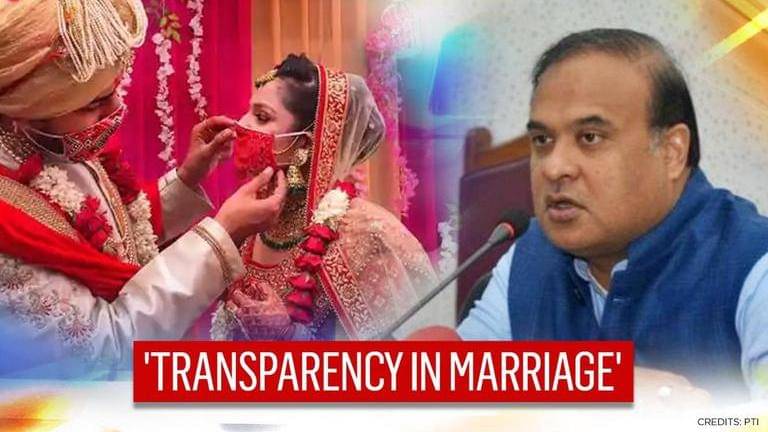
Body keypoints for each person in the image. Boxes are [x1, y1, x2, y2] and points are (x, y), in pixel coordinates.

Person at [458, 28, 768, 402]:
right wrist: (598, 382)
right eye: (542, 140)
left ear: (672, 152)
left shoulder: (753, 264)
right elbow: (451, 391)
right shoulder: (528, 257)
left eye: (590, 137)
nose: (554, 167)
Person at [0, 0, 286, 375]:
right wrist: (223, 232)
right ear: (25, 112)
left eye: (115, 89)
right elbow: (108, 343)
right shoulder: (7, 226)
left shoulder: (58, 145)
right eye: (94, 103)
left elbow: (115, 237)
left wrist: (187, 178)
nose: (116, 108)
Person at [211, 54, 438, 341]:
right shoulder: (248, 222)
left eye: (262, 117)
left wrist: (291, 335)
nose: (241, 125)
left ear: (303, 144)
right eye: (247, 112)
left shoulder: (365, 235)